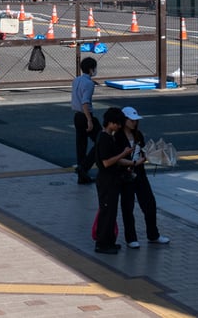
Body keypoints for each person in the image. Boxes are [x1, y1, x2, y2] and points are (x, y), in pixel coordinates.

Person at [119, 106, 169, 248]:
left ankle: (153, 235)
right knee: (127, 206)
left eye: (135, 120)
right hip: (125, 175)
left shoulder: (138, 135)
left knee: (149, 203)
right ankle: (131, 238)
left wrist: (148, 157)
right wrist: (133, 162)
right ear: (124, 120)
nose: (134, 123)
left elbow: (143, 151)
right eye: (131, 120)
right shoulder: (118, 137)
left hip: (139, 172)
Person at [93, 107, 132, 254]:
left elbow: (114, 160)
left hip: (112, 180)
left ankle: (109, 241)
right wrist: (123, 153)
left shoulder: (109, 137)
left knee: (111, 212)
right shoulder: (104, 138)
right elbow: (106, 162)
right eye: (117, 123)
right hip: (106, 181)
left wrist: (132, 163)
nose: (119, 126)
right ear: (110, 123)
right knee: (107, 212)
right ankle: (102, 244)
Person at [71, 56, 100, 185]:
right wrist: (89, 120)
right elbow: (85, 102)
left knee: (80, 145)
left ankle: (82, 176)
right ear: (91, 69)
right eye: (94, 68)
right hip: (85, 115)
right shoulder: (89, 84)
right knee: (100, 141)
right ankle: (84, 167)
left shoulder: (76, 80)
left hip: (77, 116)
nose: (95, 70)